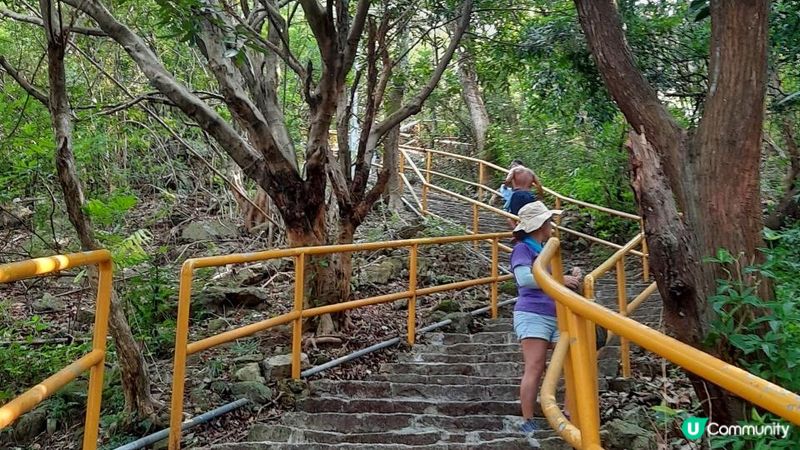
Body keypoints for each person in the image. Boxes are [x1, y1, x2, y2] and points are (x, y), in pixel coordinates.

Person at [510, 201, 581, 433]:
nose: (552, 225)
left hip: (556, 313)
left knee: (573, 360)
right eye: (549, 221)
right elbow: (524, 279)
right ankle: (528, 419)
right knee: (535, 365)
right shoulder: (523, 248)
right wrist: (561, 281)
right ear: (541, 224)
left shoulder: (545, 251)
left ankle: (569, 412)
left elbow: (549, 280)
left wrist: (570, 277)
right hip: (533, 313)